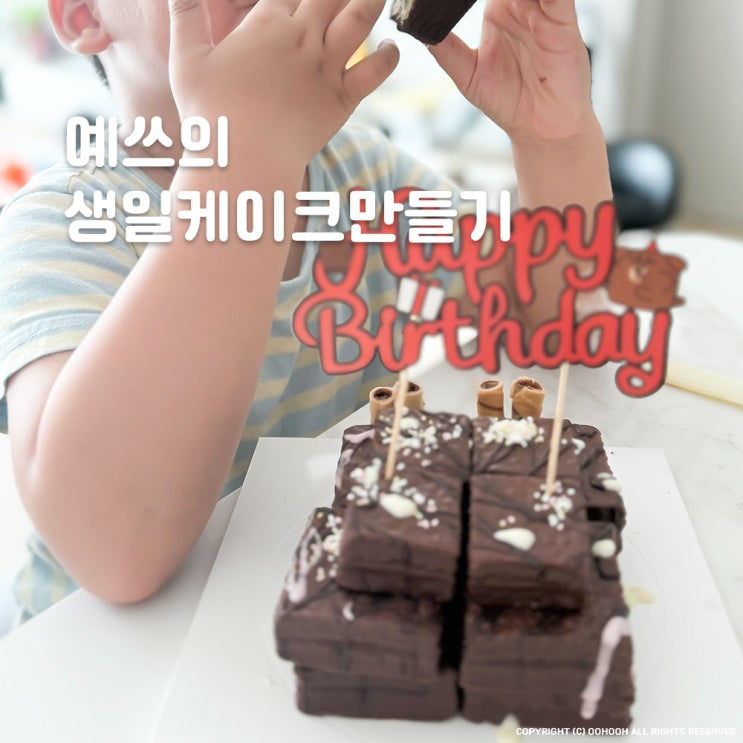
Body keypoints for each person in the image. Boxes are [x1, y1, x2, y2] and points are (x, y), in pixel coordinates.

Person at [0, 0, 612, 623]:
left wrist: (555, 144)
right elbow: (113, 553)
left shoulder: (364, 179)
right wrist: (243, 157)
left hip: (298, 620)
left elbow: (554, 330)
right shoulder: (66, 223)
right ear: (83, 16)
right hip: (90, 658)